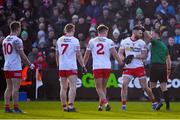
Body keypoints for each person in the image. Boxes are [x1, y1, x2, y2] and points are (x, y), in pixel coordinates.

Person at [84, 24, 123, 111]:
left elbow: (87, 55)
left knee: (99, 88)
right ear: (105, 32)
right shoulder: (109, 41)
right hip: (107, 66)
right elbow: (115, 54)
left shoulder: (92, 41)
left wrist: (83, 65)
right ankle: (100, 106)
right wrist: (121, 63)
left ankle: (106, 103)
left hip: (97, 67)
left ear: (98, 32)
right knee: (103, 87)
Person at [118, 26, 156, 111]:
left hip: (139, 67)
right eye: (140, 33)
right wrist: (124, 59)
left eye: (142, 33)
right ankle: (123, 106)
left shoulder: (142, 42)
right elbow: (120, 53)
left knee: (145, 87)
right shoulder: (124, 41)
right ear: (134, 32)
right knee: (124, 85)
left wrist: (133, 56)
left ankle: (154, 103)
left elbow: (144, 56)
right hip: (128, 67)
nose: (141, 34)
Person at [2, 21, 34, 113]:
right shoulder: (17, 40)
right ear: (18, 29)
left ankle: (7, 107)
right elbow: (22, 54)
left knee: (9, 87)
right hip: (15, 66)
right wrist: (29, 64)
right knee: (16, 88)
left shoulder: (5, 39)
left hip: (7, 66)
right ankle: (16, 108)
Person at [56, 23, 86, 112]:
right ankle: (70, 106)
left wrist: (58, 65)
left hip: (62, 66)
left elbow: (57, 54)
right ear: (73, 30)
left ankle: (64, 107)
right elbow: (79, 55)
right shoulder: (75, 40)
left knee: (63, 87)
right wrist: (83, 65)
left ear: (65, 30)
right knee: (73, 86)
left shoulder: (59, 40)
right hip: (71, 66)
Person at [144, 28, 171, 111]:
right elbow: (168, 59)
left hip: (155, 66)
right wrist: (168, 70)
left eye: (153, 33)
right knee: (164, 87)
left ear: (156, 34)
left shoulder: (156, 42)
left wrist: (143, 29)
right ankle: (168, 107)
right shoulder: (164, 45)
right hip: (163, 67)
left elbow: (149, 38)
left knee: (152, 86)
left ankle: (159, 101)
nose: (152, 35)